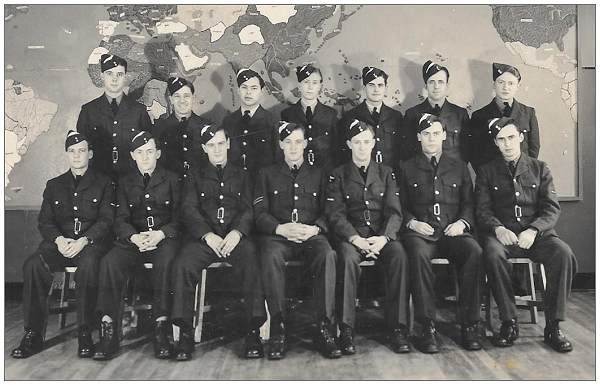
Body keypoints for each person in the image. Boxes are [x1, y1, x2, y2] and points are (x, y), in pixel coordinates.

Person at [475, 117, 576, 352]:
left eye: (511, 137)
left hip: (536, 235)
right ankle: (509, 322)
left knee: (563, 254)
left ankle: (553, 325)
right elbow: (482, 209)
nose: (507, 144)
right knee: (491, 255)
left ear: (520, 137)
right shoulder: (487, 171)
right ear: (495, 143)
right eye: (501, 139)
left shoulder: (540, 168)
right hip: (502, 234)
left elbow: (551, 208)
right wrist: (498, 228)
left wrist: (533, 229)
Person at [11, 131, 114, 359]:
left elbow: (107, 220)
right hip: (60, 244)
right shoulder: (54, 185)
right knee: (33, 265)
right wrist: (58, 240)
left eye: (82, 150)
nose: (77, 156)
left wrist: (84, 240)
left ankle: (85, 331)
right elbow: (45, 222)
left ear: (91, 153)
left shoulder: (104, 184)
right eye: (72, 151)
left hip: (89, 244)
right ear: (67, 155)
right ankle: (33, 334)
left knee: (88, 268)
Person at [170, 124, 267, 361]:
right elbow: (189, 209)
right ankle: (184, 333)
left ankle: (253, 331)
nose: (217, 149)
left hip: (235, 239)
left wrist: (237, 233)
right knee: (183, 264)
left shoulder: (243, 174)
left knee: (253, 260)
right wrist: (207, 234)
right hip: (205, 239)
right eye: (211, 145)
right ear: (204, 148)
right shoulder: (194, 174)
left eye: (221, 144)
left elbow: (248, 209)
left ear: (229, 144)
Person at [254, 122, 340, 360]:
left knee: (328, 254)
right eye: (288, 142)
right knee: (269, 256)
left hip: (310, 236)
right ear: (281, 144)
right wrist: (280, 228)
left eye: (298, 142)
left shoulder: (320, 174)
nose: (294, 147)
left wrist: (315, 229)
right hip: (279, 237)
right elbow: (259, 213)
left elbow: (330, 211)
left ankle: (324, 328)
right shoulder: (266, 173)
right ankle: (278, 328)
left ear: (305, 144)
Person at [398, 114, 483, 353]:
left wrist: (463, 223)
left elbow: (469, 203)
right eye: (426, 134)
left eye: (436, 133)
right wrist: (412, 223)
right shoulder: (406, 167)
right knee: (417, 253)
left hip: (452, 230)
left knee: (473, 251)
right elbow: (398, 206)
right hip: (421, 233)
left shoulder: (459, 166)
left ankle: (469, 324)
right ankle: (427, 326)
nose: (431, 138)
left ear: (445, 135)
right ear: (418, 137)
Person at [94, 131, 181, 360]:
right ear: (132, 155)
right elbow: (120, 219)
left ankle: (162, 330)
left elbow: (180, 217)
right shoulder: (124, 182)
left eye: (150, 151)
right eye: (140, 152)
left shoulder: (172, 179)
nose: (145, 157)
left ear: (158, 153)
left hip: (163, 240)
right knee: (109, 262)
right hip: (134, 240)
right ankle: (109, 330)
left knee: (167, 261)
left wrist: (161, 234)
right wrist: (134, 237)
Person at [326, 119, 410, 354]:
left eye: (366, 142)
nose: (362, 147)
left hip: (381, 238)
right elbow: (335, 215)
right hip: (351, 238)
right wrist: (355, 239)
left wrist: (384, 238)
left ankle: (398, 328)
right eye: (357, 142)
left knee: (399, 256)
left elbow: (395, 212)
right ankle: (346, 329)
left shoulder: (386, 173)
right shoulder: (338, 175)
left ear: (374, 144)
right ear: (348, 144)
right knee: (348, 260)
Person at [76, 54, 153, 180]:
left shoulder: (139, 111)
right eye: (109, 74)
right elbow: (81, 150)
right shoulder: (88, 111)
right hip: (98, 180)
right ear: (102, 76)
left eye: (119, 74)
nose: (114, 79)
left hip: (131, 181)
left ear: (125, 77)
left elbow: (148, 148)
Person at [469, 62, 540, 169]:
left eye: (511, 83)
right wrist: (487, 176)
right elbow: (475, 153)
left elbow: (534, 148)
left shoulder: (528, 113)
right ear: (494, 85)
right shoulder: (479, 116)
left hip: (522, 177)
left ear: (518, 86)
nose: (505, 87)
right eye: (501, 82)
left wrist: (525, 173)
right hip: (491, 180)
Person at [339, 66, 407, 167]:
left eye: (380, 85)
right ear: (364, 88)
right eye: (371, 85)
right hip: (362, 177)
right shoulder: (350, 116)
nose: (376, 89)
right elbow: (343, 153)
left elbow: (402, 151)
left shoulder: (396, 117)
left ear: (386, 88)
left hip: (391, 176)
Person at [404, 60, 470, 161]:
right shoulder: (412, 114)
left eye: (441, 82)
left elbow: (466, 151)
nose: (436, 87)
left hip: (452, 174)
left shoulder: (460, 115)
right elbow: (407, 151)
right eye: (432, 82)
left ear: (447, 86)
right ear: (425, 86)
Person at [280, 64, 339, 172]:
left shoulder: (331, 115)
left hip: (325, 172)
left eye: (315, 83)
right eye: (306, 82)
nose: (310, 87)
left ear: (320, 86)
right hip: (298, 172)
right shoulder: (287, 115)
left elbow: (337, 149)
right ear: (299, 85)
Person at [221, 68, 278, 176]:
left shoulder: (272, 121)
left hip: (261, 183)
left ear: (261, 91)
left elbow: (278, 158)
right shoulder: (228, 121)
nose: (248, 92)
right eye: (244, 87)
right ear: (238, 91)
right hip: (235, 183)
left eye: (254, 88)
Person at [153, 76, 212, 180]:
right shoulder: (160, 128)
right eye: (177, 96)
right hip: (170, 189)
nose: (182, 101)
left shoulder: (206, 126)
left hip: (199, 187)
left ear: (193, 98)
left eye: (186, 96)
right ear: (171, 100)